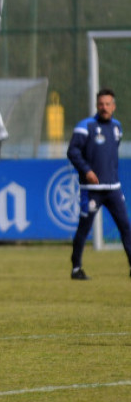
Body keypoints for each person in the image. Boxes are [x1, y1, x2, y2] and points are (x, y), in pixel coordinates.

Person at [67, 87, 131, 280]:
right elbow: (73, 152)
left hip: (113, 188)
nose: (104, 107)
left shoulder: (117, 127)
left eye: (107, 104)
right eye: (101, 104)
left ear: (114, 106)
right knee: (84, 229)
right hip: (91, 190)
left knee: (125, 227)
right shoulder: (85, 127)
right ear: (97, 105)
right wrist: (86, 170)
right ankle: (76, 268)